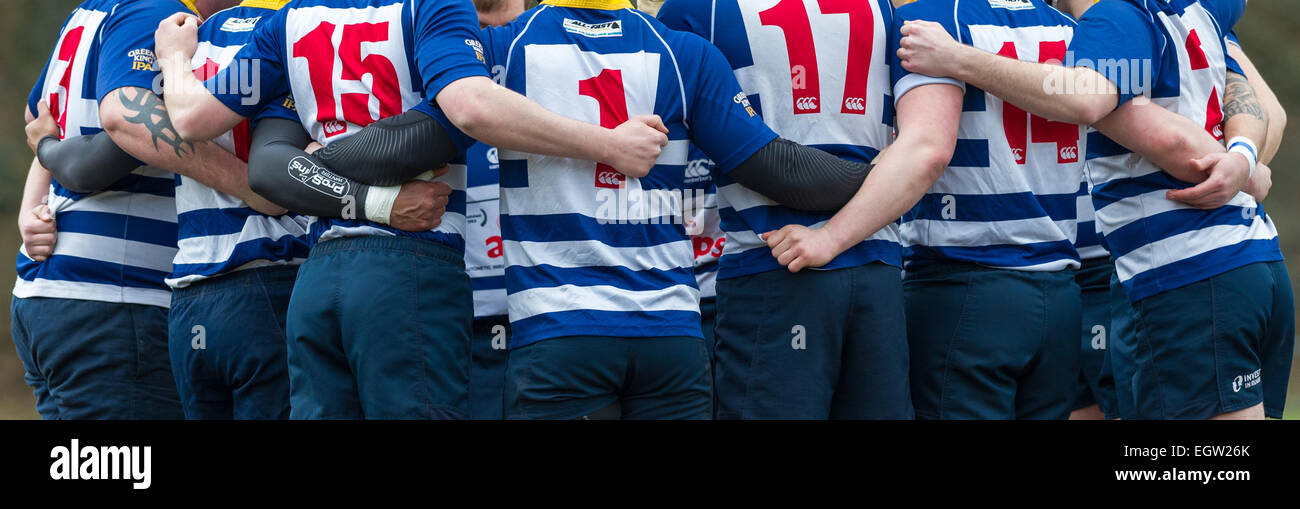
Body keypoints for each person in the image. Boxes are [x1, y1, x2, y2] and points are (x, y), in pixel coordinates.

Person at [152, 0, 674, 419]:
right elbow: (469, 107)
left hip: (320, 275)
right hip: (411, 269)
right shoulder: (433, 7)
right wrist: (606, 142)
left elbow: (195, 120)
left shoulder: (292, 17)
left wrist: (175, 58)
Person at [878, 0, 1292, 419]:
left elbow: (1093, 101)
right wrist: (1244, 159)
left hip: (1183, 269)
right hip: (1241, 258)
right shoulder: (1193, 11)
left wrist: (958, 57)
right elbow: (1266, 109)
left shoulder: (1115, 20)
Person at [11, 0, 273, 420]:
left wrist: (33, 203)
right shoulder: (156, 14)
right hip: (116, 297)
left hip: (51, 293)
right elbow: (127, 123)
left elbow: (38, 118)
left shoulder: (90, 11)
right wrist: (249, 184)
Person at [657, 0, 913, 420]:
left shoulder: (699, 7)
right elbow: (927, 143)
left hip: (775, 266)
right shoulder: (891, 5)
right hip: (877, 264)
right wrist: (895, 179)